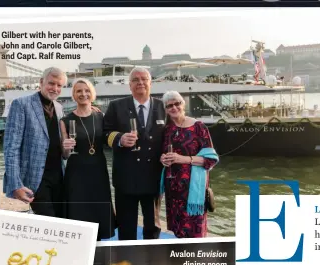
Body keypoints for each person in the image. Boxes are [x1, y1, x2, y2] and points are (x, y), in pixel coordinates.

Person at [103, 67, 165, 240]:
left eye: (144, 79)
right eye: (136, 80)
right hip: (125, 177)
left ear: (150, 83)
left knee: (153, 226)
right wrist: (120, 139)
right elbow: (105, 133)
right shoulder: (116, 106)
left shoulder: (162, 106)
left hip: (153, 177)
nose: (140, 82)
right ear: (129, 85)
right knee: (126, 226)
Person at [3, 67, 67, 217]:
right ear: (41, 82)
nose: (55, 88)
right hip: (36, 179)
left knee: (61, 221)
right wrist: (16, 185)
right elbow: (11, 148)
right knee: (47, 221)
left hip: (59, 176)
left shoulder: (59, 107)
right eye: (51, 83)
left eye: (59, 85)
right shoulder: (21, 104)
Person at [60, 78, 116, 241]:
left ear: (92, 94)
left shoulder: (100, 116)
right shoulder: (65, 120)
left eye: (86, 90)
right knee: (79, 211)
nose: (83, 94)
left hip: (98, 170)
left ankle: (97, 250)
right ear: (73, 95)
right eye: (79, 91)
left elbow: (108, 138)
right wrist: (66, 146)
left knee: (97, 211)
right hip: (77, 173)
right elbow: (64, 154)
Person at [159, 90, 219, 238]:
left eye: (177, 103)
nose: (174, 108)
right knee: (176, 229)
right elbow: (162, 153)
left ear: (183, 104)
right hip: (173, 187)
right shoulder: (167, 130)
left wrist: (182, 159)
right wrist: (162, 159)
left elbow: (211, 159)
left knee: (194, 229)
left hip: (193, 188)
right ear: (166, 110)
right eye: (169, 106)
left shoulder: (198, 127)